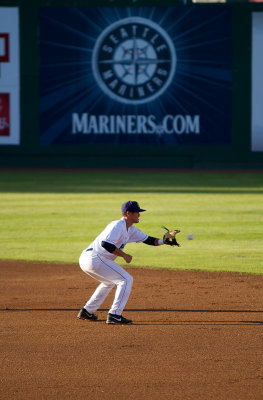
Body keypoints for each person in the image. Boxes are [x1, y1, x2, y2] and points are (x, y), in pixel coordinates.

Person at [77, 200, 169, 325]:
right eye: (137, 212)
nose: (139, 215)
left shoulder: (131, 229)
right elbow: (105, 244)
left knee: (108, 282)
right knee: (126, 279)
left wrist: (165, 241)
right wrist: (124, 255)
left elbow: (148, 240)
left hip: (90, 259)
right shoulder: (117, 225)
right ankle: (115, 315)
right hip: (94, 258)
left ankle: (87, 311)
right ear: (128, 213)